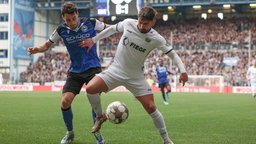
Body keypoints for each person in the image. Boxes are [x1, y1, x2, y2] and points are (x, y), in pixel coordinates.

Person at [82, 6, 188, 144]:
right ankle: (99, 117)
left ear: (153, 23)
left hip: (136, 76)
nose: (142, 26)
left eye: (146, 24)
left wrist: (183, 71)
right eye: (140, 22)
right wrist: (94, 40)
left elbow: (172, 54)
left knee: (151, 107)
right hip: (115, 70)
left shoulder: (156, 38)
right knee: (90, 89)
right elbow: (111, 29)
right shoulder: (128, 23)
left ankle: (166, 140)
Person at [27, 2, 109, 144]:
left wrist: (121, 29)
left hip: (93, 68)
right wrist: (37, 49)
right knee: (65, 102)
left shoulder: (90, 22)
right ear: (64, 19)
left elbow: (108, 29)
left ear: (77, 14)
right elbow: (47, 45)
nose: (71, 22)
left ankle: (97, 133)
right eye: (68, 20)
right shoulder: (61, 30)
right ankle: (70, 133)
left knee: (94, 101)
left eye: (73, 18)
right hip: (75, 71)